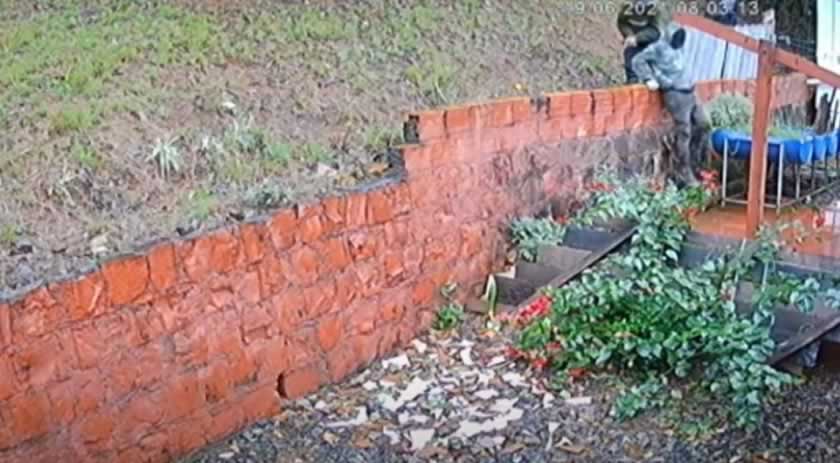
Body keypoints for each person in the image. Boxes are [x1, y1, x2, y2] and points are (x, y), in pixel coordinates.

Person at [631, 24, 710, 188]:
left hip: (690, 91)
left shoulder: (678, 47)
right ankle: (683, 173)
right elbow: (637, 60)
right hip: (675, 93)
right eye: (677, 36)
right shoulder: (658, 48)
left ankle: (695, 164)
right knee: (684, 132)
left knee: (703, 124)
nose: (679, 39)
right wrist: (650, 78)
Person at [617, 0, 668, 84]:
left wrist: (637, 38)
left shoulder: (657, 9)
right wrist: (629, 35)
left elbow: (655, 31)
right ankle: (632, 82)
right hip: (635, 42)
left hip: (654, 42)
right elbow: (622, 23)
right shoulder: (627, 7)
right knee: (629, 55)